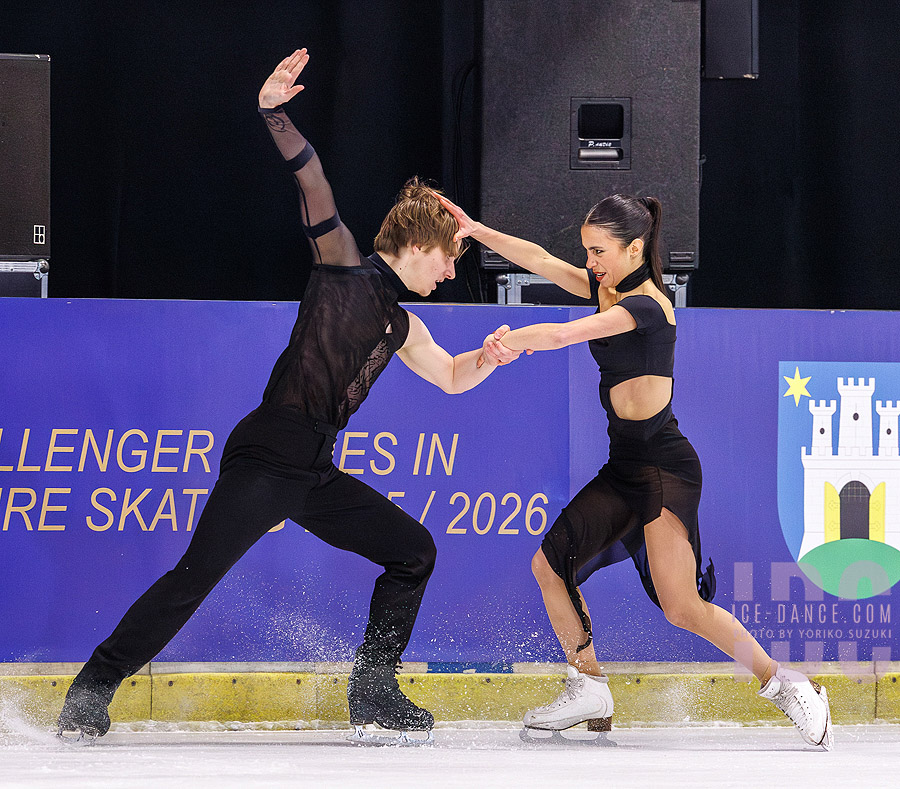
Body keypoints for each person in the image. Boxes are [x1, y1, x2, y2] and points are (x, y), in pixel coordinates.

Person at [57, 49, 519, 741]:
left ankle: (373, 691)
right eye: (452, 256)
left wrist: (487, 358)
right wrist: (273, 111)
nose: (453, 272)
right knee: (194, 577)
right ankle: (91, 690)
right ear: (421, 243)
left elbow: (452, 376)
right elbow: (313, 178)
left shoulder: (403, 323)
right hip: (269, 454)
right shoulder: (342, 274)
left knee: (412, 550)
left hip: (312, 470)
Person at [438, 192, 833, 750]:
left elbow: (563, 335)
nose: (590, 262)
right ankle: (589, 687)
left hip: (665, 470)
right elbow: (542, 262)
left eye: (599, 251)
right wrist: (478, 231)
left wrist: (507, 344)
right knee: (550, 564)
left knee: (682, 606)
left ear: (635, 248)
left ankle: (787, 685)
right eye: (587, 251)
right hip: (624, 466)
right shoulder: (607, 288)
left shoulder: (648, 307)